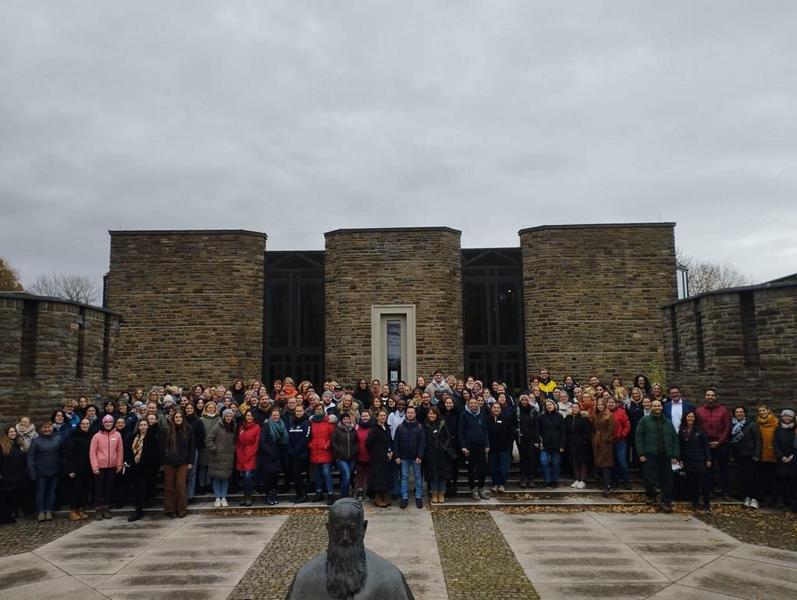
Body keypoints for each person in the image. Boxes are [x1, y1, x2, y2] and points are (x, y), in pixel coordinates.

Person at [285, 498, 415, 600]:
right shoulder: (305, 579)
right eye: (338, 530)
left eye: (351, 530)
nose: (345, 538)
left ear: (363, 529)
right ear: (328, 529)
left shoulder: (390, 579)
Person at [636, 399, 680, 512]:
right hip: (650, 454)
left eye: (659, 406)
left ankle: (666, 502)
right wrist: (641, 453)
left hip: (665, 455)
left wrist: (675, 455)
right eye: (654, 406)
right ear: (651, 407)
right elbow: (639, 437)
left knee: (667, 480)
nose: (657, 408)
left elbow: (675, 439)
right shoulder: (644, 421)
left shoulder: (668, 422)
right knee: (650, 479)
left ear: (662, 407)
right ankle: (652, 495)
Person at [696, 388, 731, 499]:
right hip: (706, 445)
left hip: (721, 444)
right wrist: (705, 443)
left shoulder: (723, 410)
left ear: (715, 397)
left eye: (712, 395)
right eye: (708, 395)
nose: (710, 397)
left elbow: (727, 427)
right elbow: (698, 428)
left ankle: (726, 492)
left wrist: (719, 442)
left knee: (723, 468)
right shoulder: (699, 411)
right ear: (705, 397)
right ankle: (710, 491)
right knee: (708, 469)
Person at [89, 414, 124, 520]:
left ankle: (107, 507)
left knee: (109, 487)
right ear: (103, 423)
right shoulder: (97, 436)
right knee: (99, 488)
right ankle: (98, 509)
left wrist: (119, 464)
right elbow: (92, 452)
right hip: (100, 466)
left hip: (112, 466)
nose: (108, 424)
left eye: (110, 422)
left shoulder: (117, 435)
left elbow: (120, 450)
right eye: (106, 422)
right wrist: (94, 466)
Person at [161, 410, 194, 518]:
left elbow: (192, 447)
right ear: (173, 419)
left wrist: (191, 461)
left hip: (183, 461)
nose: (178, 419)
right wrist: (164, 458)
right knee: (169, 485)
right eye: (176, 417)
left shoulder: (188, 430)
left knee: (180, 485)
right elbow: (162, 446)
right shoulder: (167, 430)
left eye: (180, 417)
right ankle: (170, 509)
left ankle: (181, 509)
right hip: (169, 461)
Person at [126, 418, 160, 521]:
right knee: (137, 489)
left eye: (145, 425)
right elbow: (129, 451)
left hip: (147, 468)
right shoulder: (133, 437)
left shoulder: (152, 438)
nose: (143, 427)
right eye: (141, 425)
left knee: (144, 489)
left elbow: (155, 454)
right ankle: (138, 510)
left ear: (148, 426)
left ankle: (141, 508)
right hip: (135, 467)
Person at [679, 410, 712, 512]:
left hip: (700, 460)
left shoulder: (700, 430)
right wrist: (680, 459)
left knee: (704, 483)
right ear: (685, 418)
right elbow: (680, 446)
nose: (690, 418)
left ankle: (707, 505)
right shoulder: (682, 431)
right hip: (688, 460)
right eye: (689, 417)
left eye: (692, 417)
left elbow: (706, 446)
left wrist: (708, 459)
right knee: (692, 483)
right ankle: (695, 502)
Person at [28, 420, 61, 521]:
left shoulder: (58, 439)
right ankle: (40, 511)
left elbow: (62, 455)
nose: (47, 429)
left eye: (49, 427)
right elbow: (30, 457)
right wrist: (32, 471)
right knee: (41, 492)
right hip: (40, 471)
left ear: (52, 428)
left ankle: (49, 510)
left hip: (54, 470)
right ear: (41, 429)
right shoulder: (36, 441)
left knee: (51, 492)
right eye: (45, 428)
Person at [459, 396, 490, 500]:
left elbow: (486, 431)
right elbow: (461, 432)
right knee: (471, 470)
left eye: (475, 403)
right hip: (469, 447)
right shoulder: (464, 415)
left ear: (478, 404)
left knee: (483, 469)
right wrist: (463, 446)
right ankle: (473, 490)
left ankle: (481, 489)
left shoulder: (481, 415)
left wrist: (487, 444)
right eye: (471, 403)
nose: (473, 405)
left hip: (481, 446)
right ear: (468, 405)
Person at [730, 406, 761, 508]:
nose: (739, 413)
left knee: (753, 477)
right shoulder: (733, 425)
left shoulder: (752, 424)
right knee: (743, 478)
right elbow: (732, 442)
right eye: (737, 412)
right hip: (740, 455)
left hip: (751, 455)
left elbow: (758, 440)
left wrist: (757, 454)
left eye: (741, 412)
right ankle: (747, 497)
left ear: (745, 413)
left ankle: (754, 498)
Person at [394, 406, 425, 509]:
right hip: (403, 457)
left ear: (415, 414)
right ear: (406, 414)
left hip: (416, 457)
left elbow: (422, 442)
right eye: (408, 412)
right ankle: (404, 498)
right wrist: (397, 456)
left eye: (412, 412)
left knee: (418, 477)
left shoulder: (420, 427)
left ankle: (418, 497)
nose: (410, 414)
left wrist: (420, 455)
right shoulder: (400, 427)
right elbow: (396, 443)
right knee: (404, 477)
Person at [205, 409, 236, 508]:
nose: (229, 418)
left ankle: (224, 497)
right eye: (227, 416)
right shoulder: (217, 426)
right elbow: (209, 439)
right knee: (217, 478)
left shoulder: (234, 427)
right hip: (217, 457)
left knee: (225, 479)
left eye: (230, 416)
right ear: (223, 417)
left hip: (228, 457)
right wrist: (214, 449)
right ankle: (217, 498)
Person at [63, 418, 92, 521]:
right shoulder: (73, 437)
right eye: (83, 424)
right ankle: (73, 510)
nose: (85, 425)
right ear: (80, 425)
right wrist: (70, 469)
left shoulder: (90, 436)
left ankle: (81, 509)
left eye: (87, 424)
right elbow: (68, 455)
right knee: (75, 490)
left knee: (84, 490)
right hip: (76, 468)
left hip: (87, 468)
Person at [423, 407, 453, 503]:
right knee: (432, 475)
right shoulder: (425, 425)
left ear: (437, 415)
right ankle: (434, 493)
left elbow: (448, 437)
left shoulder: (442, 424)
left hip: (442, 454)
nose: (432, 415)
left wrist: (444, 447)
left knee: (442, 475)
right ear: (428, 415)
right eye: (430, 413)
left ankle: (441, 493)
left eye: (434, 414)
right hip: (430, 454)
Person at [366, 409, 394, 508]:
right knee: (378, 479)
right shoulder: (374, 429)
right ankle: (377, 499)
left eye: (384, 415)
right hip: (376, 458)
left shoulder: (387, 427)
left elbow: (390, 441)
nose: (383, 417)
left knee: (385, 478)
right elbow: (368, 444)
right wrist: (375, 452)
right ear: (377, 417)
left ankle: (383, 497)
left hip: (386, 457)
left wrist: (391, 452)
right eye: (381, 416)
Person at [309, 406, 336, 505]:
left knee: (326, 473)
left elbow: (332, 435)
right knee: (317, 474)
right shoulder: (311, 422)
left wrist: (327, 445)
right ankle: (319, 492)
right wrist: (310, 444)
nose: (318, 410)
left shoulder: (328, 421)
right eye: (317, 409)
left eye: (320, 409)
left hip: (325, 452)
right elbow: (308, 435)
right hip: (314, 451)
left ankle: (330, 494)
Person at [0, 426, 27, 524]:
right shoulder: (2, 445)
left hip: (17, 476)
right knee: (4, 498)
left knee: (13, 497)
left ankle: (8, 516)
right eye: (11, 431)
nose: (13, 433)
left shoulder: (18, 445)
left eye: (14, 431)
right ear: (7, 433)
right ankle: (3, 517)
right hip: (5, 476)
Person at [260, 408, 286, 505]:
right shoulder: (266, 426)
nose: (276, 417)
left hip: (278, 455)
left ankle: (274, 494)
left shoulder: (282, 425)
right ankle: (268, 495)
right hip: (268, 455)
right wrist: (270, 452)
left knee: (275, 477)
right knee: (268, 477)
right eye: (274, 415)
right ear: (271, 416)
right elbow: (262, 442)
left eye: (277, 415)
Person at [590, 396, 615, 495]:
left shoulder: (609, 415)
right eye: (599, 405)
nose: (600, 406)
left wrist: (606, 438)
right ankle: (604, 483)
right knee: (599, 463)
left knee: (606, 464)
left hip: (605, 442)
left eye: (602, 405)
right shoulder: (594, 415)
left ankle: (608, 485)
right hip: (596, 440)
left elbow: (611, 429)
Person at [236, 410, 261, 507]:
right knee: (244, 477)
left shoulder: (257, 427)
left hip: (251, 455)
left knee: (247, 476)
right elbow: (238, 440)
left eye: (251, 415)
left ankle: (248, 497)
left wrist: (251, 452)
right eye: (247, 415)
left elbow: (256, 442)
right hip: (241, 454)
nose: (249, 417)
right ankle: (245, 496)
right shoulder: (241, 427)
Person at [756, 404, 779, 506]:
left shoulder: (776, 422)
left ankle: (776, 499)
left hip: (773, 454)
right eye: (760, 411)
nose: (761, 412)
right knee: (764, 478)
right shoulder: (757, 423)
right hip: (762, 455)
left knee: (773, 478)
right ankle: (766, 498)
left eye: (763, 410)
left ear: (768, 411)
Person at [538, 399, 565, 488]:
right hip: (545, 443)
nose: (549, 406)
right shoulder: (542, 417)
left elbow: (562, 432)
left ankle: (554, 480)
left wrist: (562, 445)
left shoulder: (559, 416)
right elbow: (539, 431)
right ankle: (547, 479)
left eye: (550, 404)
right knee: (543, 461)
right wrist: (540, 441)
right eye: (547, 405)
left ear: (554, 405)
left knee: (555, 463)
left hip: (556, 444)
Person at [487, 402, 513, 493]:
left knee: (503, 467)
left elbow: (510, 434)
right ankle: (495, 484)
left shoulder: (505, 419)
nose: (496, 409)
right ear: (491, 409)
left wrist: (508, 446)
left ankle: (502, 484)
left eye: (498, 408)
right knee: (493, 467)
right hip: (492, 448)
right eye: (494, 407)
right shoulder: (488, 420)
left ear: (500, 409)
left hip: (504, 448)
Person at [565, 402, 592, 489]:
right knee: (574, 461)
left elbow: (587, 431)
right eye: (573, 407)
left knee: (582, 462)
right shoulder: (568, 419)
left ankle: (582, 480)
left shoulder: (584, 419)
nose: (574, 409)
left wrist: (583, 441)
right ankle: (577, 479)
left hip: (582, 444)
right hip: (571, 443)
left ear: (579, 409)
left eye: (576, 407)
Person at [287, 405, 311, 503]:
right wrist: (291, 449)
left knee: (298, 474)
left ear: (303, 412)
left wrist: (296, 450)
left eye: (300, 411)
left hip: (302, 454)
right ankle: (299, 494)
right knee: (295, 475)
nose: (298, 412)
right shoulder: (291, 422)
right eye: (297, 411)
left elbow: (305, 438)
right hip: (292, 453)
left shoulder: (307, 423)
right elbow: (288, 437)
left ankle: (303, 495)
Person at [333, 412, 359, 500]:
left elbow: (356, 442)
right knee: (346, 475)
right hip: (341, 457)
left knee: (349, 476)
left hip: (352, 457)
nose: (346, 420)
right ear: (341, 420)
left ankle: (347, 493)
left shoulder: (353, 430)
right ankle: (343, 496)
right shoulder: (337, 429)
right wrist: (339, 451)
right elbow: (334, 442)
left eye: (348, 419)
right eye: (344, 419)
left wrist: (355, 451)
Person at [773, 409, 796, 511]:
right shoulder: (778, 429)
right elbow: (775, 443)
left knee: (792, 481)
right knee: (780, 480)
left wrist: (792, 455)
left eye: (789, 416)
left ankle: (791, 500)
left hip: (793, 459)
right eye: (785, 416)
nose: (787, 418)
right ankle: (780, 500)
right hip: (781, 459)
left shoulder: (795, 430)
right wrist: (781, 456)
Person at [517, 394, 540, 488]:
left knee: (531, 458)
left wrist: (537, 440)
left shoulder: (533, 411)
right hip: (521, 439)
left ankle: (531, 477)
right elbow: (515, 424)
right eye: (522, 400)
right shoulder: (517, 411)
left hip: (531, 438)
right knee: (523, 458)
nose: (524, 402)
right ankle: (523, 477)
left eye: (525, 400)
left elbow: (536, 426)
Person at [608, 397, 631, 489]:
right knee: (612, 463)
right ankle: (614, 481)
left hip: (620, 441)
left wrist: (623, 434)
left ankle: (627, 481)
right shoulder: (605, 413)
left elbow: (627, 426)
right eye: (609, 402)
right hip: (608, 442)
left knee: (622, 461)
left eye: (613, 402)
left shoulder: (621, 412)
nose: (611, 404)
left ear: (616, 403)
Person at [355, 410, 371, 501]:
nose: (364, 418)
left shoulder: (372, 427)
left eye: (366, 416)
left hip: (370, 455)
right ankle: (360, 492)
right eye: (363, 416)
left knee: (369, 474)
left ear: (369, 417)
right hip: (359, 454)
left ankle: (368, 491)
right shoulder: (357, 427)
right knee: (360, 475)